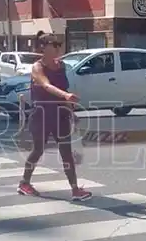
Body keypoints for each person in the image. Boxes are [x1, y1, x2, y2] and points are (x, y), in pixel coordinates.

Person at [18, 31, 92, 201]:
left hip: (61, 114)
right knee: (38, 150)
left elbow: (64, 88)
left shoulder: (62, 66)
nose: (59, 47)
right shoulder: (37, 67)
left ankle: (75, 189)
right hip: (42, 114)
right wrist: (65, 96)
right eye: (54, 44)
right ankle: (24, 183)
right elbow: (46, 85)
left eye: (59, 44)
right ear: (43, 48)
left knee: (66, 151)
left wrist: (71, 111)